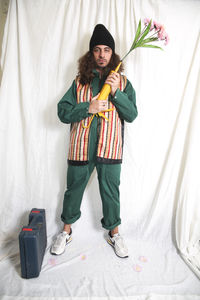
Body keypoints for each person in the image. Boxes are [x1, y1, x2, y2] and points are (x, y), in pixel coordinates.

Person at [51, 24, 138, 258]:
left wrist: (115, 92)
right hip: (81, 147)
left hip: (110, 147)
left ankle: (114, 233)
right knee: (73, 189)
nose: (101, 54)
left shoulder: (123, 83)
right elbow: (62, 111)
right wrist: (86, 107)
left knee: (111, 191)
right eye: (97, 49)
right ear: (91, 53)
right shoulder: (79, 82)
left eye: (106, 50)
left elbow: (131, 115)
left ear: (113, 54)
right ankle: (66, 231)